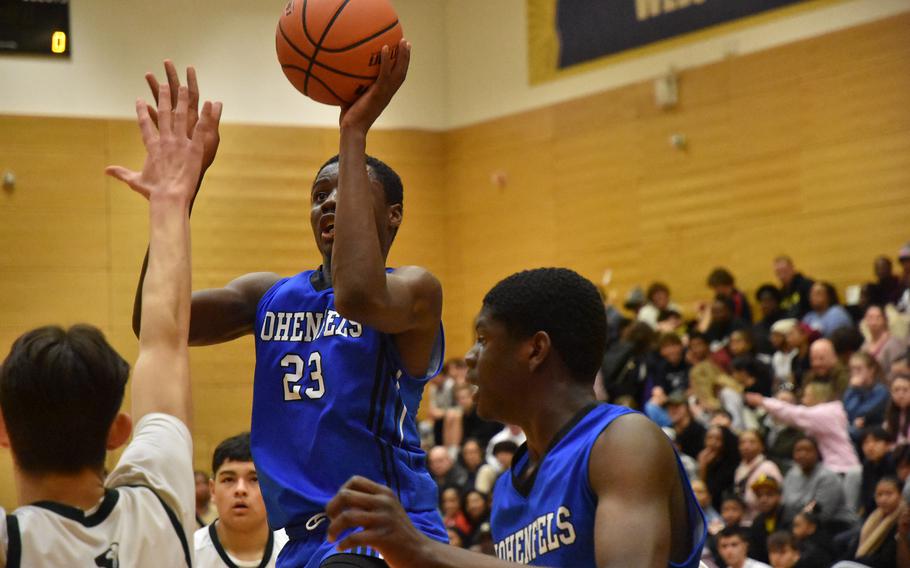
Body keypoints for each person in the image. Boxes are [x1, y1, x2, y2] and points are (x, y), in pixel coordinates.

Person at [130, 45, 450, 568]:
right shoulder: (269, 295)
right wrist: (174, 199)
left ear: (393, 216)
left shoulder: (414, 292)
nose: (328, 201)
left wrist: (353, 131)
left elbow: (358, 295)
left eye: (344, 187)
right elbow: (154, 321)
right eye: (318, 193)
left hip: (383, 533)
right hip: (300, 545)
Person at [324, 268, 707, 566]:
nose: (470, 356)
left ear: (535, 349)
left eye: (483, 338)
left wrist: (424, 551)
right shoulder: (509, 487)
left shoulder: (622, 441)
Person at [0, 79, 218, 565]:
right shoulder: (161, 505)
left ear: (3, 428)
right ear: (118, 431)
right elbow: (165, 342)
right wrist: (170, 201)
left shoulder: (12, 544)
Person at [195, 433, 289, 568]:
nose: (240, 489)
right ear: (212, 490)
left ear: (271, 489)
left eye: (254, 479)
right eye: (228, 479)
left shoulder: (292, 552)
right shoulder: (189, 553)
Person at [746, 383, 861, 475]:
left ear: (817, 396)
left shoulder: (824, 413)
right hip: (840, 466)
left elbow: (794, 413)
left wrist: (762, 401)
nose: (804, 401)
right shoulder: (832, 411)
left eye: (807, 396)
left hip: (842, 467)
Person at [779, 437, 855, 531]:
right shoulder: (791, 474)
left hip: (833, 525)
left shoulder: (828, 477)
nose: (802, 454)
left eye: (808, 450)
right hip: (797, 523)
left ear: (817, 453)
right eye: (798, 450)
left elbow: (820, 511)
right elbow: (785, 504)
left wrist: (799, 519)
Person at [734, 431, 783, 520]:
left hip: (764, 517)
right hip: (744, 518)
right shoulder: (739, 469)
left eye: (752, 442)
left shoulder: (768, 467)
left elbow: (776, 498)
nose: (746, 446)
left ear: (762, 446)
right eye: (742, 442)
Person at [843, 353, 890, 445]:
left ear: (871, 370)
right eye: (852, 369)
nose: (855, 373)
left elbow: (863, 412)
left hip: (874, 433)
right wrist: (853, 389)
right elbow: (845, 412)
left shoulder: (881, 391)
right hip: (855, 430)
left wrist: (854, 389)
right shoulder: (853, 389)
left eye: (859, 369)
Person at [748, 475, 787, 565]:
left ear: (779, 496)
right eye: (759, 495)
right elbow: (756, 555)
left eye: (769, 494)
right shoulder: (757, 522)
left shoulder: (790, 517)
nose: (763, 499)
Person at [862, 305, 907, 375]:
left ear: (885, 320)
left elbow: (898, 371)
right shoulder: (865, 345)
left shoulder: (894, 343)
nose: (874, 321)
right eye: (870, 317)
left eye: (878, 317)